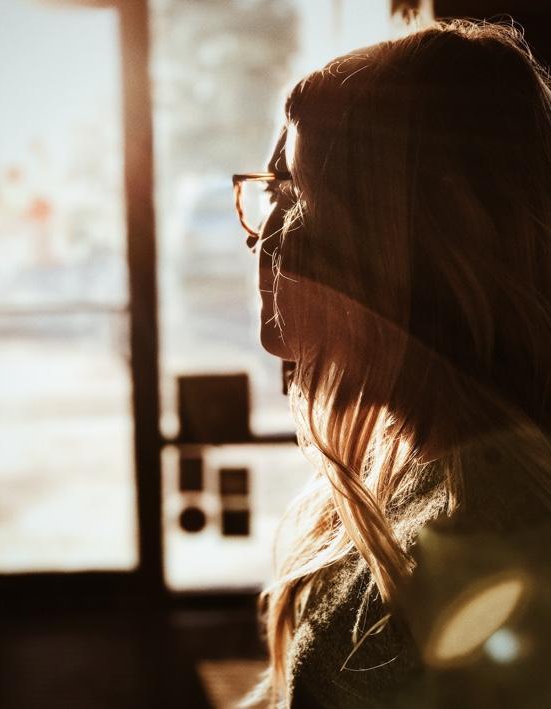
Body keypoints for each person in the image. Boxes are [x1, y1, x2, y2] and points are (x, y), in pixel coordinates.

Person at [233, 19, 551, 708]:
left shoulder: (502, 525)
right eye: (269, 194)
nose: (263, 243)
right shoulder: (412, 463)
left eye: (298, 198)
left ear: (407, 244)